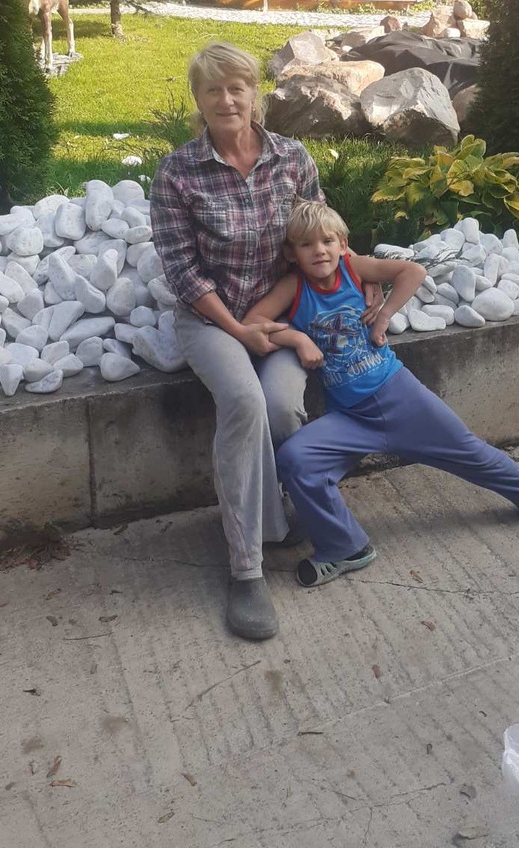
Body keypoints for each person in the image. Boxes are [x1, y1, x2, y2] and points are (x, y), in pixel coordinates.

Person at [150, 42, 380, 641]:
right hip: (212, 320)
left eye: (237, 88)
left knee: (280, 405)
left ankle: (281, 513)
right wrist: (238, 329)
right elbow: (182, 271)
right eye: (213, 90)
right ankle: (246, 568)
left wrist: (365, 278)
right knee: (245, 403)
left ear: (255, 94)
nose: (227, 100)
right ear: (198, 99)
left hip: (283, 316)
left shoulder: (292, 158)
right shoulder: (178, 173)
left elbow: (320, 235)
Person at [243, 201, 519, 588]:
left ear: (343, 245)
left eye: (327, 241)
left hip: (399, 396)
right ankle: (344, 547)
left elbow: (413, 271)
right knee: (295, 458)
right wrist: (297, 338)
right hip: (349, 417)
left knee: (470, 452)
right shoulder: (293, 287)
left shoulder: (353, 268)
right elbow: (252, 322)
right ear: (291, 253)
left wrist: (384, 315)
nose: (319, 251)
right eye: (306, 244)